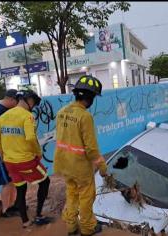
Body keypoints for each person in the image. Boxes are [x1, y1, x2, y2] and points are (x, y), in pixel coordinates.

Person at [53, 75, 108, 236]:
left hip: (64, 164)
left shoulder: (62, 111)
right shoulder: (85, 116)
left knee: (71, 194)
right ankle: (87, 228)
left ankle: (71, 226)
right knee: (86, 197)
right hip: (80, 167)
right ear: (90, 98)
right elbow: (91, 149)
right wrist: (103, 167)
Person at [0, 89, 52, 228]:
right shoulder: (27, 116)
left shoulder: (4, 115)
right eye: (34, 105)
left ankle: (25, 221)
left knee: (20, 189)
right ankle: (38, 215)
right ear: (30, 101)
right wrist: (38, 152)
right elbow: (31, 138)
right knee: (45, 182)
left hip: (10, 162)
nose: (34, 108)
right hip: (26, 161)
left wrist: (2, 152)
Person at [0, 89, 19, 218]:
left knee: (13, 180)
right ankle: (5, 210)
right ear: (11, 99)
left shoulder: (6, 111)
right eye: (16, 101)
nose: (17, 104)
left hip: (9, 152)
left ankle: (12, 205)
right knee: (7, 182)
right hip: (1, 153)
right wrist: (1, 151)